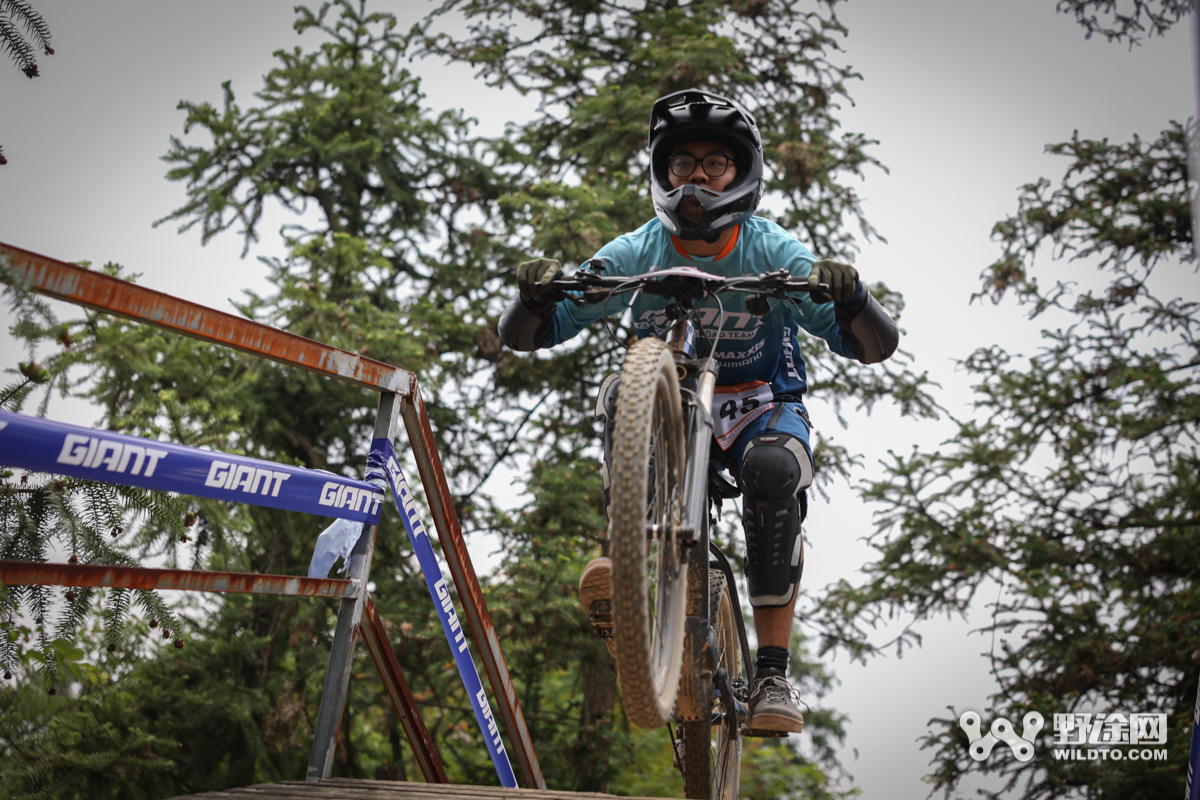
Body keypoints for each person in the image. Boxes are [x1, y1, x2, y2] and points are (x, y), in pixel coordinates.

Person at [497, 89, 899, 733]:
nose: (697, 179)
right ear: (661, 173)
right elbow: (533, 333)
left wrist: (853, 300)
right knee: (619, 392)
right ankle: (625, 560)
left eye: (716, 164)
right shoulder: (637, 249)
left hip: (759, 409)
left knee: (772, 474)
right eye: (682, 164)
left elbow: (870, 346)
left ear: (744, 173)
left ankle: (771, 674)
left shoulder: (770, 249)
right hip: (666, 401)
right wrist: (536, 295)